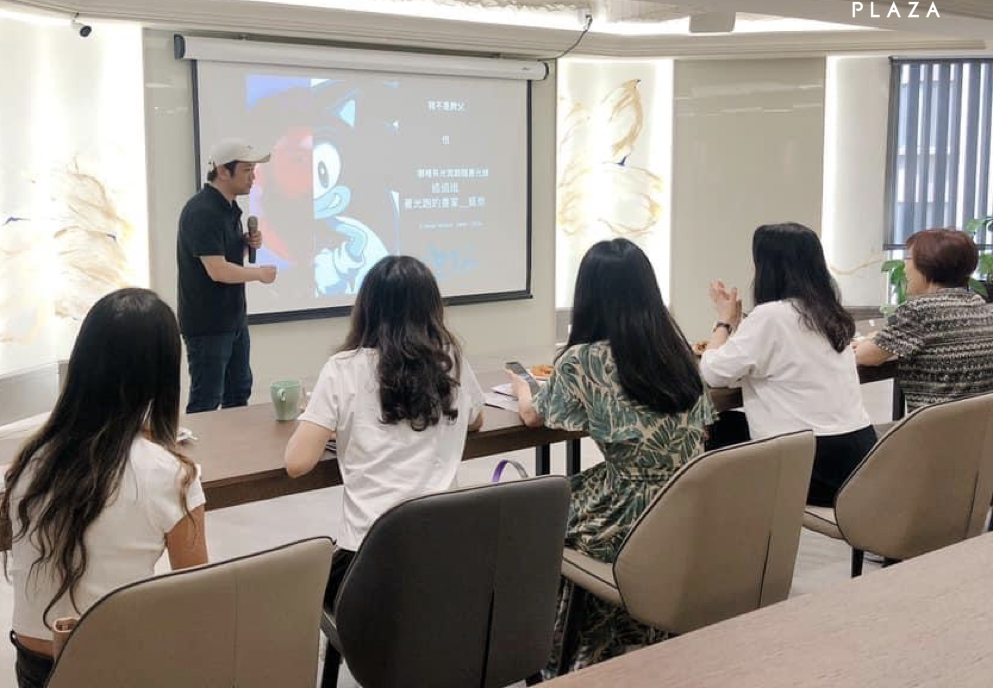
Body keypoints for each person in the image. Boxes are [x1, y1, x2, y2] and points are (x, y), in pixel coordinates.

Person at [507, 239, 714, 675]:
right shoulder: (676, 350)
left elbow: (532, 416)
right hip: (693, 505)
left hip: (631, 513)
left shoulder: (581, 360)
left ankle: (556, 647)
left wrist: (523, 387)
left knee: (536, 519)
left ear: (588, 296)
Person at [0, 289, 208, 688]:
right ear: (163, 377)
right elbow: (196, 599)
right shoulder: (172, 475)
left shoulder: (30, 462)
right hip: (117, 665)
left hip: (34, 667)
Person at [284, 255, 484, 607]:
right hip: (445, 556)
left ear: (366, 307)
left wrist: (337, 424)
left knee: (296, 591)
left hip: (369, 562)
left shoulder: (342, 368)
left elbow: (297, 463)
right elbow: (476, 419)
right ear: (432, 308)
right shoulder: (450, 362)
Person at [700, 222, 876, 506]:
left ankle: (738, 523)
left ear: (769, 269)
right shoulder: (829, 313)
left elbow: (712, 373)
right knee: (730, 425)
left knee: (713, 429)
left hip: (810, 464)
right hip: (858, 457)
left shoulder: (771, 316)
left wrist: (723, 321)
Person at [177, 138, 277, 413]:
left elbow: (222, 256)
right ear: (223, 171)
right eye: (246, 170)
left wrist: (244, 244)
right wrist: (259, 274)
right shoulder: (202, 211)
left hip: (233, 320)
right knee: (207, 400)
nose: (253, 177)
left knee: (239, 392)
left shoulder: (228, 208)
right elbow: (217, 270)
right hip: (208, 325)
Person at [856, 228, 993, 410]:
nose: (904, 267)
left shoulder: (920, 311)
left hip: (932, 425)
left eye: (908, 259)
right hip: (977, 424)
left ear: (928, 266)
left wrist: (872, 339)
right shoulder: (979, 305)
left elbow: (864, 356)